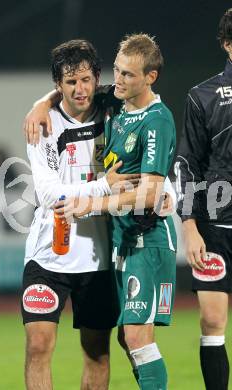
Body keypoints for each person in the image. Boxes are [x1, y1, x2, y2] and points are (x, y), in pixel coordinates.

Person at [25, 34, 177, 390]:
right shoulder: (45, 124)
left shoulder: (118, 104)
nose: (80, 89)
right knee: (39, 345)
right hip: (51, 252)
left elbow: (150, 167)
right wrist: (40, 105)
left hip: (105, 253)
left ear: (97, 78)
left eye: (86, 79)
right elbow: (49, 194)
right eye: (69, 82)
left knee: (104, 349)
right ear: (57, 85)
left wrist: (165, 189)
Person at [175, 9, 232, 390]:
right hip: (214, 222)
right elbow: (187, 164)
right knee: (212, 321)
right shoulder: (203, 95)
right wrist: (190, 226)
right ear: (228, 45)